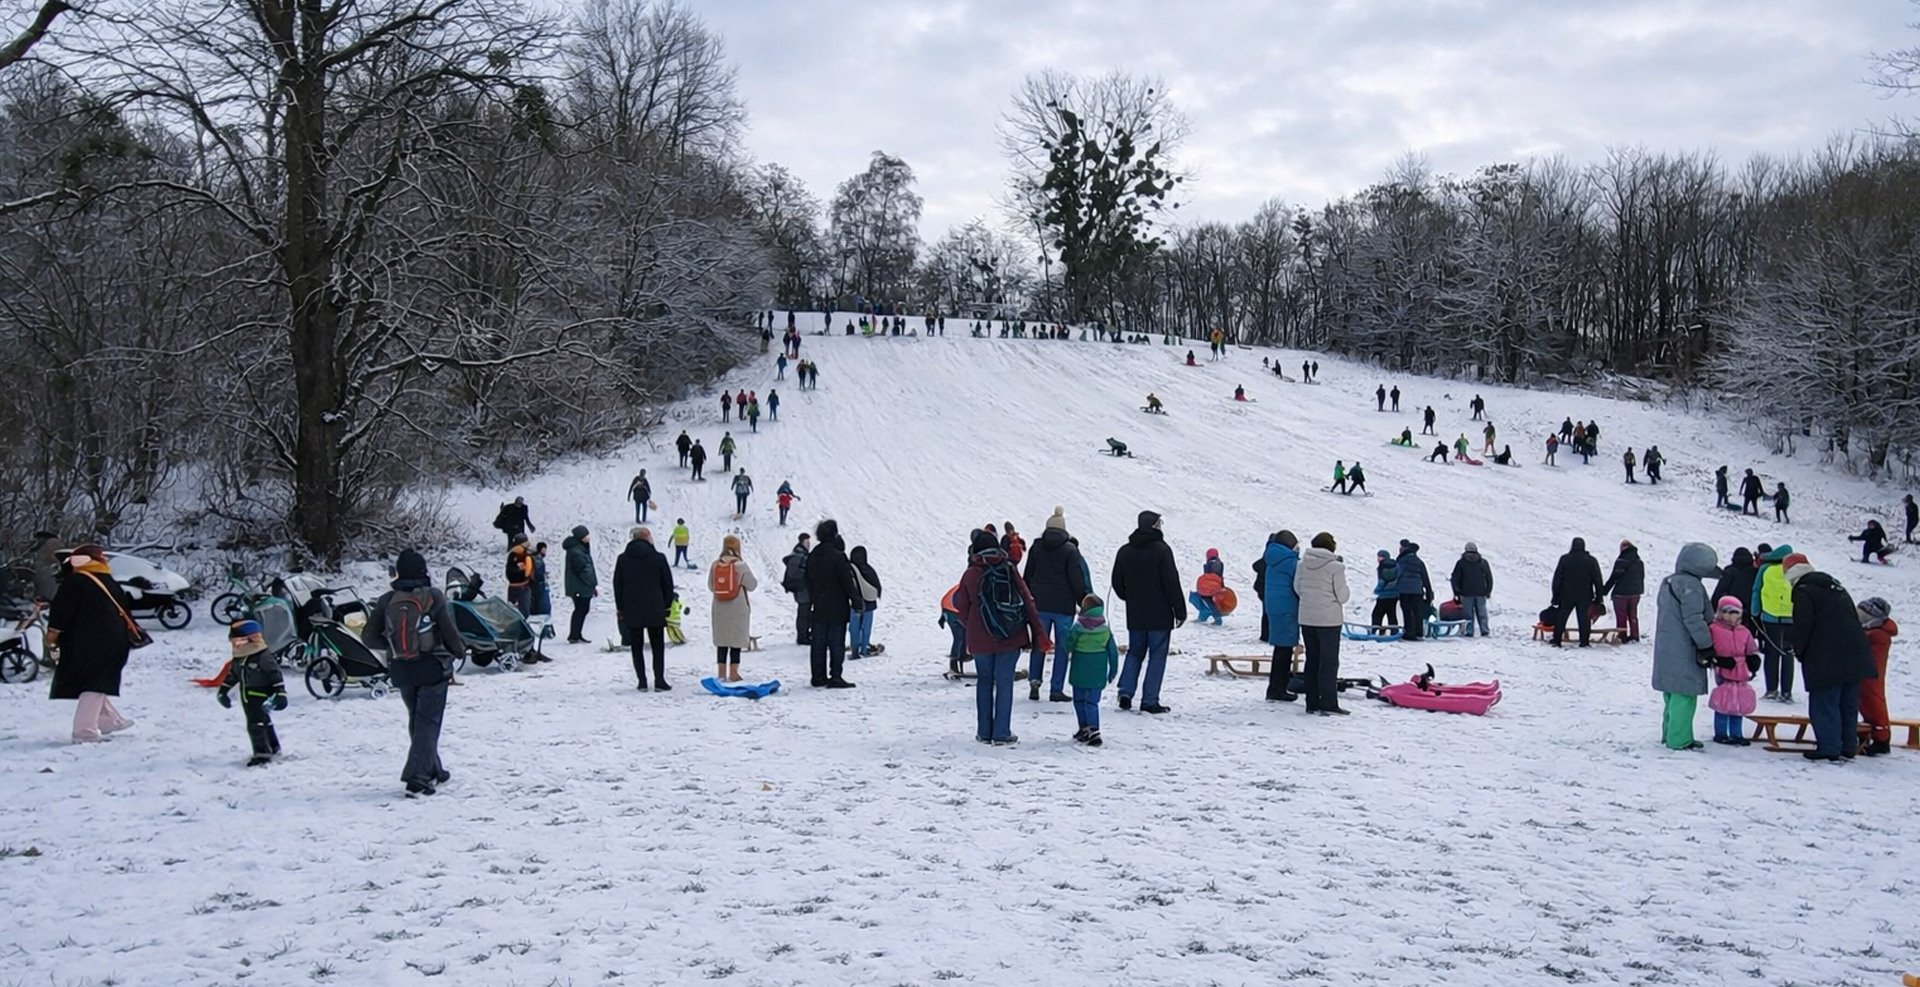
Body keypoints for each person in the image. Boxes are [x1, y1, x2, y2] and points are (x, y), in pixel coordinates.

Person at [362, 548, 466, 795]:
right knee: (428, 722)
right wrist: (459, 651)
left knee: (417, 719)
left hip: (401, 668)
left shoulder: (388, 599)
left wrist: (392, 647)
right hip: (431, 667)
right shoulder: (433, 596)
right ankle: (417, 777)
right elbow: (448, 630)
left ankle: (433, 769)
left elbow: (368, 637)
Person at [954, 528, 1047, 743]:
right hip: (1010, 635)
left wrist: (973, 625)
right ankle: (1002, 731)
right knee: (1005, 683)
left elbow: (960, 604)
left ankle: (984, 731)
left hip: (980, 638)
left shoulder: (970, 574)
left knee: (984, 681)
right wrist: (1038, 633)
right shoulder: (1008, 569)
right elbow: (1027, 599)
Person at [1784, 555, 1875, 761]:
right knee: (1847, 703)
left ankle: (1829, 746)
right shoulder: (1834, 586)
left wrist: (1796, 648)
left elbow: (1803, 624)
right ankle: (1847, 745)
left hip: (1826, 655)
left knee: (1824, 703)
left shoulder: (1803, 590)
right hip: (1856, 653)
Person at [45, 545, 137, 744]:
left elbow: (61, 612)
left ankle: (94, 726)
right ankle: (98, 726)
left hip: (85, 641)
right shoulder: (107, 580)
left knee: (94, 682)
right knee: (97, 680)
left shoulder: (75, 582)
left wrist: (53, 634)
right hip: (113, 639)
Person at [1111, 510, 1185, 714]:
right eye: (1159, 523)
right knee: (1157, 655)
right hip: (1160, 612)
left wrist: (1130, 597)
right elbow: (1171, 581)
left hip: (1136, 611)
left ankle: (1125, 691)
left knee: (1135, 652)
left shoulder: (1125, 551)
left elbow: (1116, 582)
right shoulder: (1162, 550)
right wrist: (1179, 610)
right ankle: (1149, 700)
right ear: (1153, 526)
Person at [1650, 542, 1719, 751]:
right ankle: (1679, 739)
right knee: (1684, 695)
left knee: (1671, 694)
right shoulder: (1691, 586)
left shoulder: (1669, 582)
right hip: (1684, 648)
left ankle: (1669, 733)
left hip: (1667, 646)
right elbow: (1694, 619)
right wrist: (1706, 644)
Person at [1023, 506, 1090, 702]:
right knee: (1062, 648)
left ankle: (1034, 682)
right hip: (1063, 606)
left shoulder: (1036, 547)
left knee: (1039, 644)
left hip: (1040, 605)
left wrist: (1028, 598)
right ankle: (1056, 689)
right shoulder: (1070, 550)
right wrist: (1083, 600)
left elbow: (1028, 574)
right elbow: (1076, 579)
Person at [613, 526, 677, 691]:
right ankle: (659, 680)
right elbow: (667, 584)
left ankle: (641, 681)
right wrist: (667, 605)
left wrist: (621, 608)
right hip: (655, 607)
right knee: (657, 645)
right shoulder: (658, 558)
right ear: (647, 537)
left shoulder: (623, 559)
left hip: (632, 608)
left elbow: (617, 585)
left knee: (636, 646)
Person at [1294, 532, 1351, 715]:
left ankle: (1311, 702)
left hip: (1307, 618)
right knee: (1329, 662)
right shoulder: (1336, 567)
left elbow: (1297, 588)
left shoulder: (1302, 565)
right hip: (1329, 620)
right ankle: (1328, 701)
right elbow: (1343, 596)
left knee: (1312, 660)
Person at [217, 619, 287, 766]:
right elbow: (233, 675)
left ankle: (262, 753)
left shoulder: (263, 656)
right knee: (262, 722)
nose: (235, 645)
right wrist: (223, 691)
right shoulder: (240, 659)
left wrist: (280, 692)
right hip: (247, 695)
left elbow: (275, 673)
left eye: (239, 641)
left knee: (257, 724)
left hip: (261, 695)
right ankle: (273, 747)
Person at [805, 519, 862, 688]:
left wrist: (813, 598)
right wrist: (856, 601)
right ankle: (835, 675)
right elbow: (847, 582)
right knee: (836, 642)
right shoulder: (838, 556)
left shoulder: (813, 555)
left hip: (818, 603)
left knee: (818, 642)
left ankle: (818, 676)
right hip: (837, 604)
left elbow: (807, 579)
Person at [1065, 594, 1120, 746]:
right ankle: (1093, 728)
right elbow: (1113, 652)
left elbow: (1068, 644)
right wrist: (1113, 670)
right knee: (1092, 702)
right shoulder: (1105, 629)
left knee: (1079, 700)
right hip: (1098, 670)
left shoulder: (1077, 627)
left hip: (1079, 669)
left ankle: (1084, 728)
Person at [1706, 597, 1761, 745]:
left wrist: (1753, 659)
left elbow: (1750, 647)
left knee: (1739, 702)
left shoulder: (1744, 631)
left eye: (1734, 612)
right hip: (1724, 668)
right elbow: (1708, 648)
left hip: (1741, 669)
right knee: (1724, 700)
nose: (1730, 616)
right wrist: (1716, 659)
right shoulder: (1714, 629)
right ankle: (1721, 732)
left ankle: (1736, 733)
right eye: (1726, 612)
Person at [708, 535, 757, 683]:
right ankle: (734, 672)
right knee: (736, 639)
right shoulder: (740, 565)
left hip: (719, 606)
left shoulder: (715, 565)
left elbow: (711, 586)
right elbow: (752, 585)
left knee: (722, 639)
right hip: (738, 606)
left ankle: (721, 673)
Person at [1752, 546, 1798, 702]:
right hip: (1791, 617)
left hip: (1770, 616)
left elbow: (1757, 589)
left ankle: (1771, 690)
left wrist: (1755, 611)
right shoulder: (1795, 569)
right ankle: (1787, 692)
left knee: (1772, 653)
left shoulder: (1765, 568)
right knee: (1788, 652)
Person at [1262, 532, 1301, 701]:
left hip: (1274, 606)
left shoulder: (1272, 559)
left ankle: (1276, 687)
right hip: (1288, 607)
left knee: (1280, 648)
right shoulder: (1290, 562)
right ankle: (1278, 689)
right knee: (1284, 651)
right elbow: (1298, 584)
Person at [1857, 597, 1898, 756]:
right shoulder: (1872, 630)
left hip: (1871, 674)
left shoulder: (1877, 634)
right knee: (1866, 703)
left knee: (1874, 703)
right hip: (1867, 672)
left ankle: (1881, 739)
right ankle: (1869, 732)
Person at [1548, 538, 1605, 647]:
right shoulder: (1591, 560)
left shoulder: (1565, 559)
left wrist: (1555, 596)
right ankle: (1584, 642)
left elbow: (1557, 579)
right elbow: (1598, 580)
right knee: (1584, 619)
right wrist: (1599, 598)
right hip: (1585, 594)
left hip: (1566, 594)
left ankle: (1557, 640)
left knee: (1562, 617)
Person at [1601, 540, 1646, 642]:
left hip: (1621, 593)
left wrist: (1604, 591)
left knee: (1621, 615)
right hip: (1635, 593)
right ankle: (1635, 635)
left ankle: (1622, 636)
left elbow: (1614, 577)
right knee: (1633, 614)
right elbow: (1642, 577)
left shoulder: (1622, 560)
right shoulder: (1639, 562)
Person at [1449, 542, 1493, 638]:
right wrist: (1488, 591)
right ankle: (1484, 630)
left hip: (1466, 593)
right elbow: (1489, 578)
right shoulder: (1483, 562)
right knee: (1482, 614)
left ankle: (1469, 631)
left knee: (1468, 615)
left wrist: (1457, 591)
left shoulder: (1461, 563)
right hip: (1481, 592)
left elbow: (1455, 578)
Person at [562, 526, 597, 644]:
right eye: (586, 535)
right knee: (581, 609)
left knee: (581, 610)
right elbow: (583, 570)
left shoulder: (579, 549)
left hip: (581, 586)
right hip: (580, 587)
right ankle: (574, 634)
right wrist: (592, 584)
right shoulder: (577, 551)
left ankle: (576, 633)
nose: (588, 537)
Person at [1394, 540, 1431, 641]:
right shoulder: (1419, 562)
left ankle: (1409, 632)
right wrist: (1429, 593)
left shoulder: (1402, 561)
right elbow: (1425, 578)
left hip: (1404, 590)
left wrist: (1394, 588)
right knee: (1417, 611)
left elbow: (1398, 574)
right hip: (1417, 590)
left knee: (1407, 610)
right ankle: (1419, 631)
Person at [848, 545, 882, 658]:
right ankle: (864, 648)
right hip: (869, 604)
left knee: (854, 627)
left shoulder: (850, 569)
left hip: (855, 603)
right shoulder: (869, 569)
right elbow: (877, 586)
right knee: (866, 627)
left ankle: (854, 649)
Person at [782, 532, 812, 645]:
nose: (808, 543)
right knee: (803, 613)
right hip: (802, 588)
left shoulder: (800, 553)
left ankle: (804, 633)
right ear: (802, 542)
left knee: (805, 612)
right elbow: (793, 572)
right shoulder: (798, 555)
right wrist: (806, 573)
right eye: (807, 541)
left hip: (803, 588)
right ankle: (802, 636)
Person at [1370, 549, 1401, 636]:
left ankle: (1375, 630)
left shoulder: (1382, 566)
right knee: (1391, 614)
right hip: (1394, 594)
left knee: (1377, 614)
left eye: (1380, 556)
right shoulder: (1397, 565)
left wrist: (1377, 590)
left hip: (1384, 595)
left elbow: (1382, 580)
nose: (1378, 558)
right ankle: (1394, 631)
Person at [504, 534, 534, 616]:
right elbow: (528, 573)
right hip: (521, 588)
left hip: (515, 588)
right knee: (521, 614)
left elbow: (508, 573)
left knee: (514, 613)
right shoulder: (523, 556)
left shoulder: (513, 556)